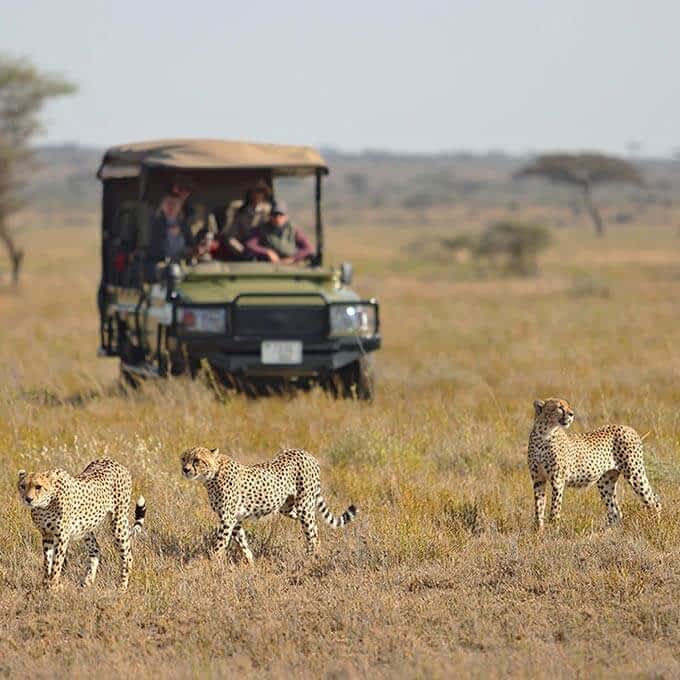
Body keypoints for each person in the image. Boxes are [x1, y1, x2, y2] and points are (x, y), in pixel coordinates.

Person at [245, 201, 313, 264]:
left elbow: (308, 248)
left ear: (286, 217)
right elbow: (250, 245)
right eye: (275, 215)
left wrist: (293, 259)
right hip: (268, 265)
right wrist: (267, 252)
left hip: (291, 265)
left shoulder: (294, 230)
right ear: (270, 216)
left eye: (281, 215)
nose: (278, 218)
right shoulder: (262, 229)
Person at [147, 193, 193, 264]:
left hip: (181, 261)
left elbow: (190, 243)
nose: (171, 206)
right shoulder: (154, 223)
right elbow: (152, 245)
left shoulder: (184, 224)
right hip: (159, 261)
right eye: (168, 203)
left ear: (180, 206)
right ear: (162, 205)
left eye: (175, 204)